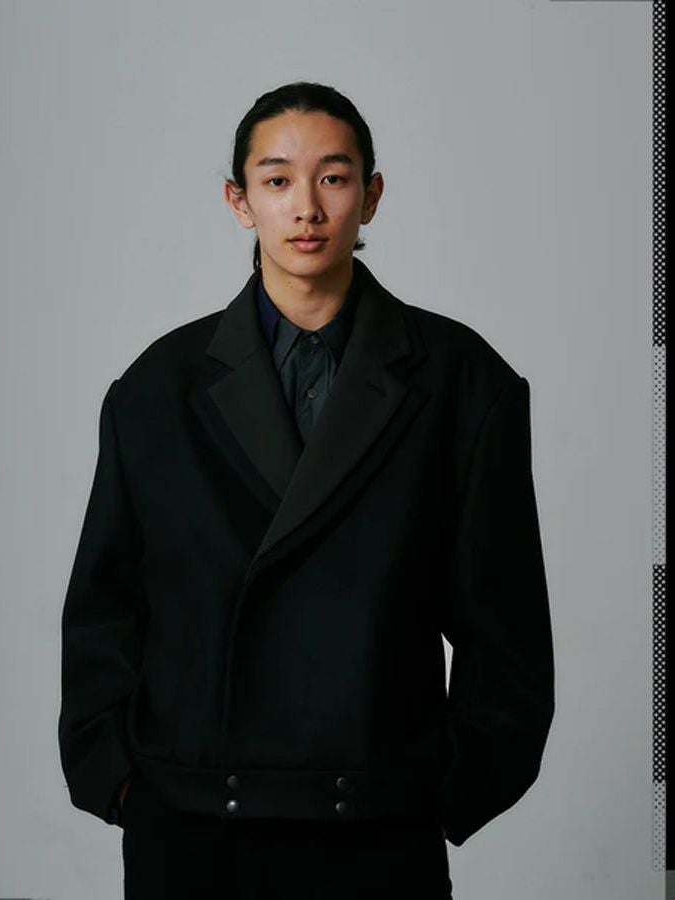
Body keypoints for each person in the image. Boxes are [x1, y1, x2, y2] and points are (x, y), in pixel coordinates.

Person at [58, 81, 555, 899]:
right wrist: (118, 779)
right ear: (240, 201)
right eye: (278, 179)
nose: (307, 208)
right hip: (191, 827)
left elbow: (507, 627)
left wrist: (445, 793)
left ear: (371, 195)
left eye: (333, 177)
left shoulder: (463, 383)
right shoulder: (156, 388)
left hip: (373, 829)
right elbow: (104, 606)